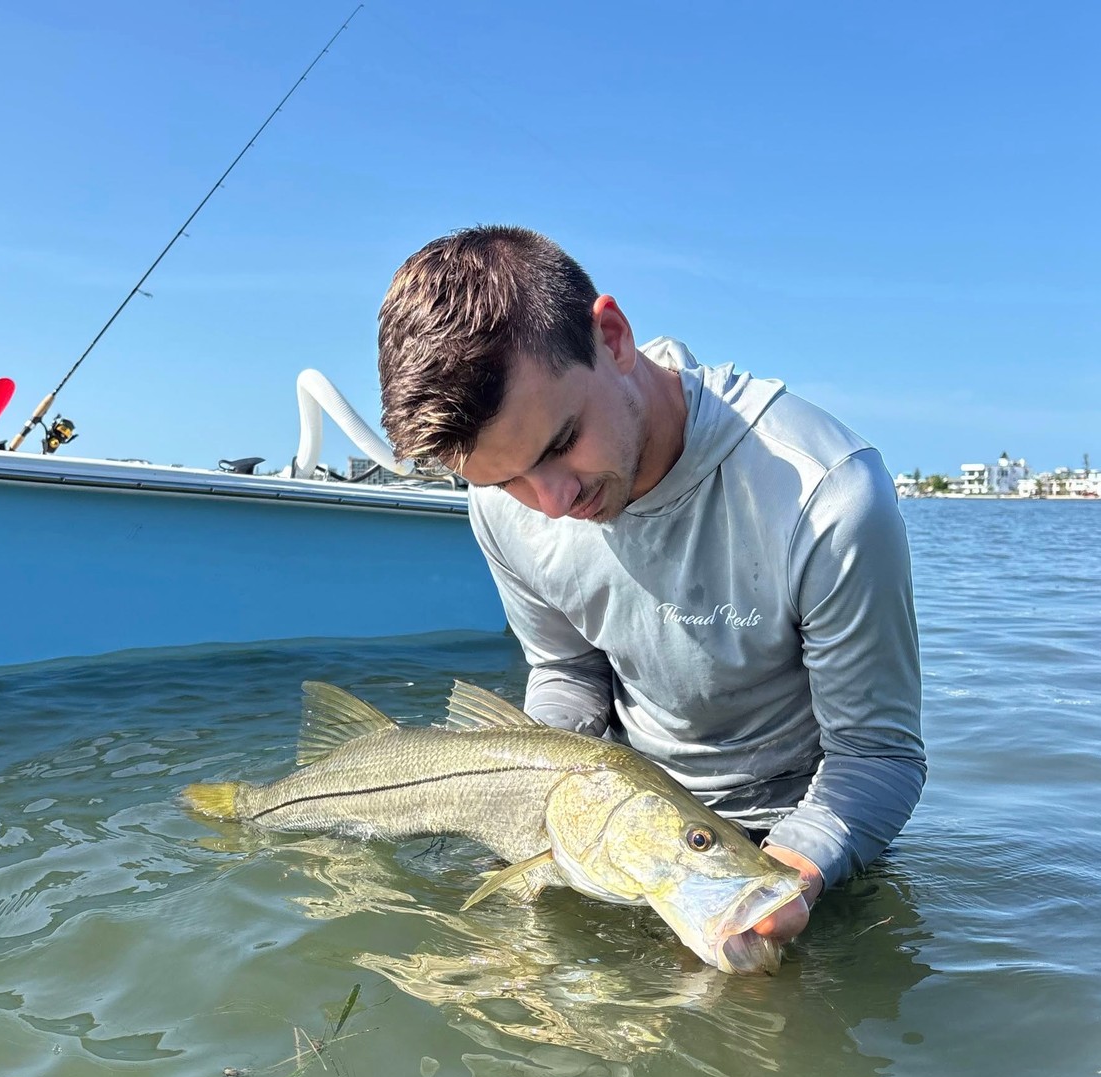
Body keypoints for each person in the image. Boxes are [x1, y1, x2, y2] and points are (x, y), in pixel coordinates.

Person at [377, 225, 926, 944]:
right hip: (611, 824)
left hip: (797, 839)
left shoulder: (827, 494)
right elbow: (568, 670)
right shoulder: (499, 508)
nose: (551, 503)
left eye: (560, 444)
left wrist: (780, 883)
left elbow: (877, 757)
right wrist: (532, 784)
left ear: (612, 336)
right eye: (506, 479)